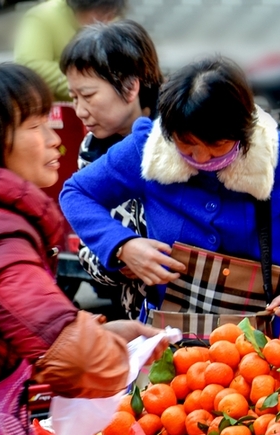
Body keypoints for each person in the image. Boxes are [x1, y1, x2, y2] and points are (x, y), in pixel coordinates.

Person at [0, 63, 164, 435]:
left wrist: (103, 332)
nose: (57, 134)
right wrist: (103, 349)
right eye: (36, 126)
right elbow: (81, 362)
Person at [60, 55, 280, 330]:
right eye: (187, 146)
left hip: (275, 343)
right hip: (175, 340)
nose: (202, 159)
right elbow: (76, 194)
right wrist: (123, 245)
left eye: (217, 146)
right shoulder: (147, 150)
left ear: (244, 133)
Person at [60, 19, 162, 320]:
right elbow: (88, 247)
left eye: (88, 96)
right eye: (74, 97)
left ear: (131, 86)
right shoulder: (92, 149)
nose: (79, 111)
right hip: (143, 317)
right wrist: (119, 254)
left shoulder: (182, 137)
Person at [13, 0, 126, 102]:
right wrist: (90, 85)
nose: (106, 20)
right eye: (101, 13)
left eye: (111, 15)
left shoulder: (111, 20)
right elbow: (30, 65)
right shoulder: (43, 16)